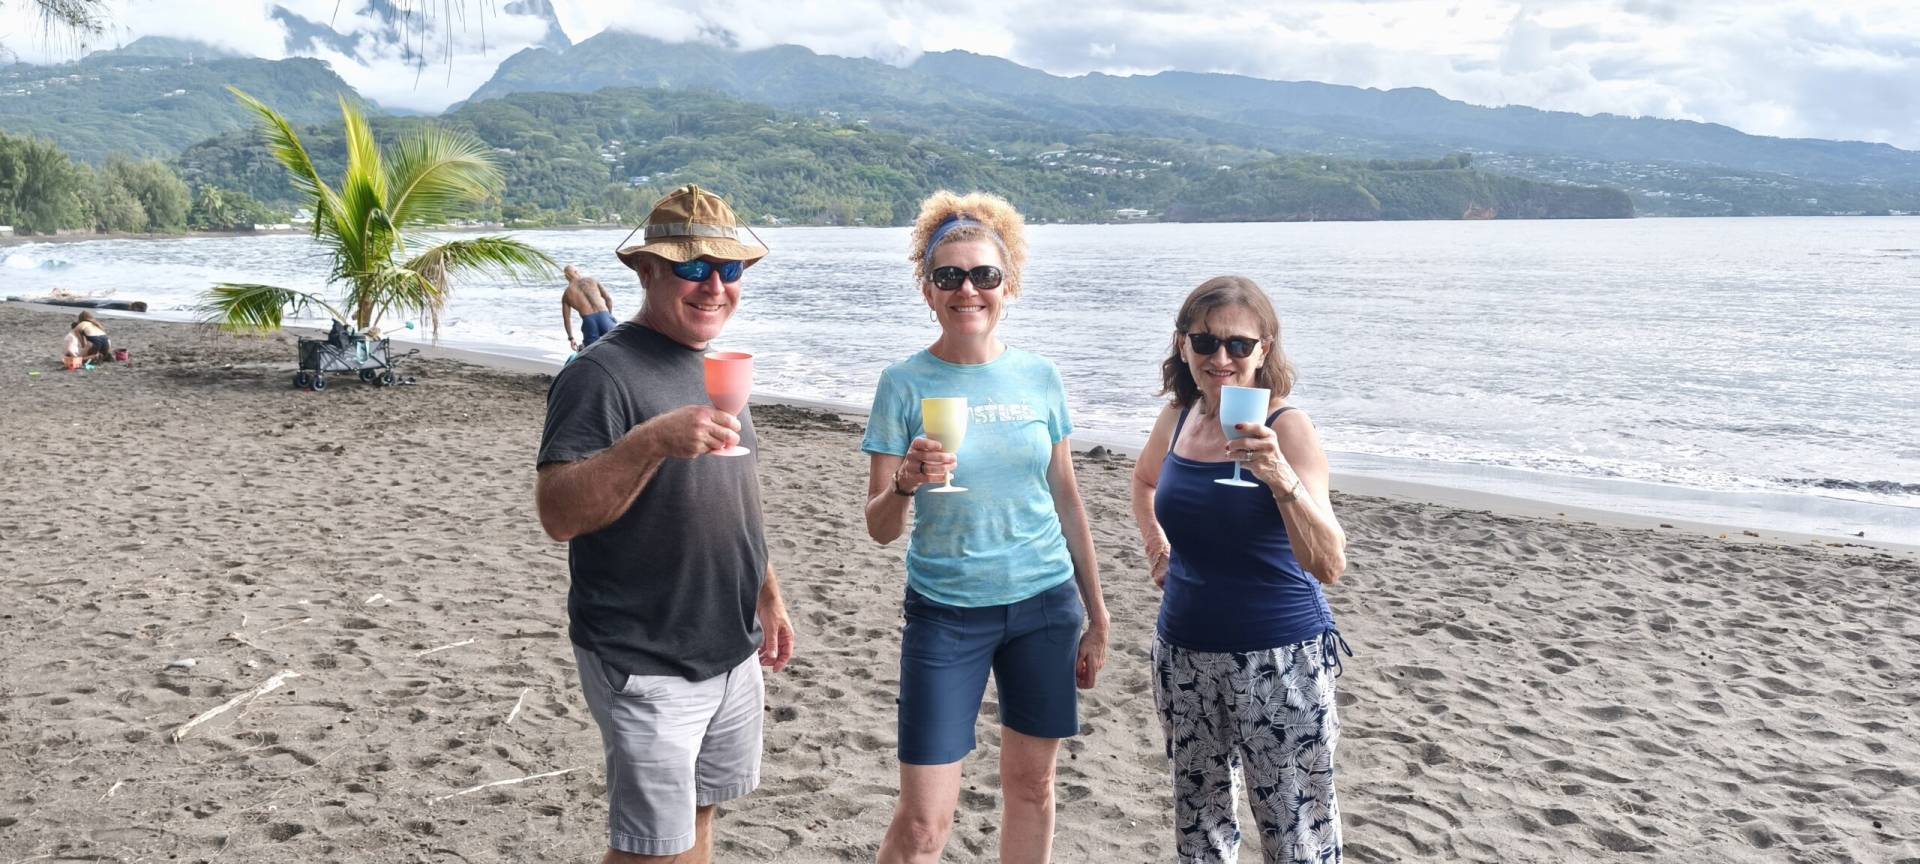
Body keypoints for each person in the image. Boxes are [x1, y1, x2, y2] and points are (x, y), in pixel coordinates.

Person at [534, 184, 795, 864]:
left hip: (729, 647)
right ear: (646, 270)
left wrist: (767, 594)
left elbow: (735, 492)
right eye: (691, 268)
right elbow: (558, 513)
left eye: (729, 269)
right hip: (645, 654)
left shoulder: (716, 365)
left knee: (698, 821)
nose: (714, 285)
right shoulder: (599, 376)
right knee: (653, 851)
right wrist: (651, 441)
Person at [861, 190, 1110, 864]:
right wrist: (907, 484)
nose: (967, 289)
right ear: (927, 288)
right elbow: (881, 526)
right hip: (946, 615)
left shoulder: (1039, 377)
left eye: (983, 275)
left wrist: (1098, 614)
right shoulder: (903, 384)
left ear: (1008, 285)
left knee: (1032, 785)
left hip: (1045, 606)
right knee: (922, 825)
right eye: (950, 276)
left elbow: (1068, 499)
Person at [1128, 276, 1351, 864]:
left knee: (1295, 831)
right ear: (1183, 347)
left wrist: (1280, 478)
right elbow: (1144, 481)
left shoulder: (1288, 428)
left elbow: (1329, 561)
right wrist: (1158, 549)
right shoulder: (1179, 417)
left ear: (1265, 347)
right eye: (1204, 342)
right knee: (1200, 828)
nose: (1220, 358)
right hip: (1183, 654)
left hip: (1277, 656)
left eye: (1238, 344)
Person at [562, 264, 618, 351]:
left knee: (592, 352)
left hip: (589, 321)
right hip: (604, 315)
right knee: (617, 346)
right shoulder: (592, 280)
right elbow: (608, 299)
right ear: (576, 272)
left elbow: (567, 319)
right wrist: (609, 316)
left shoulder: (566, 294)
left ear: (566, 277)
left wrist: (571, 338)